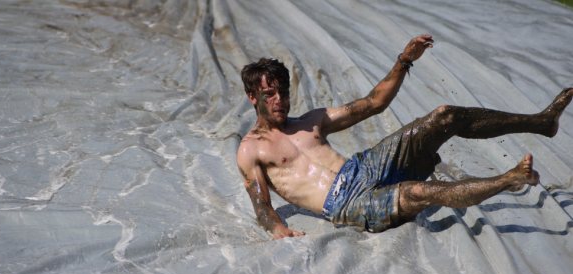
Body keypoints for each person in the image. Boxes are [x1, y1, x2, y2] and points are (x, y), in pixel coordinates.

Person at [236, 34, 573, 240]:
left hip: (365, 167)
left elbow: (373, 103)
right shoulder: (251, 150)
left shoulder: (312, 121)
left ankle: (541, 122)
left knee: (445, 115)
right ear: (253, 97)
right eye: (268, 94)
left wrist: (404, 61)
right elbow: (262, 207)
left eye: (281, 91)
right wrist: (280, 230)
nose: (278, 100)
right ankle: (511, 178)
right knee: (421, 192)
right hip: (347, 204)